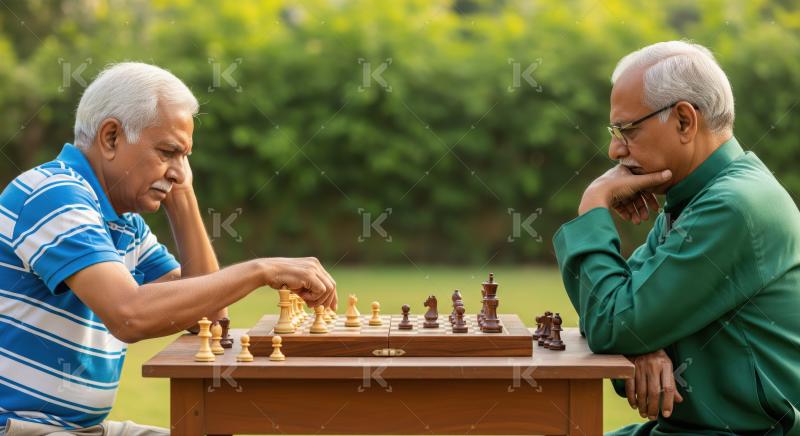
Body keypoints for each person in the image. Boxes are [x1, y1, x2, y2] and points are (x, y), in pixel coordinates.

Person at [0, 62, 338, 435]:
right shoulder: (54, 194)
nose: (179, 171)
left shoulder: (123, 221)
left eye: (185, 156)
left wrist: (183, 195)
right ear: (111, 137)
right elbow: (130, 316)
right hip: (21, 427)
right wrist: (262, 270)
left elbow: (209, 317)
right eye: (167, 151)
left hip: (79, 429)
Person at [553, 41, 799, 434]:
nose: (615, 150)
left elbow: (608, 322)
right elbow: (607, 312)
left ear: (684, 121)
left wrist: (594, 202)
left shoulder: (732, 206)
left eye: (627, 130)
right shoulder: (697, 197)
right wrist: (642, 346)